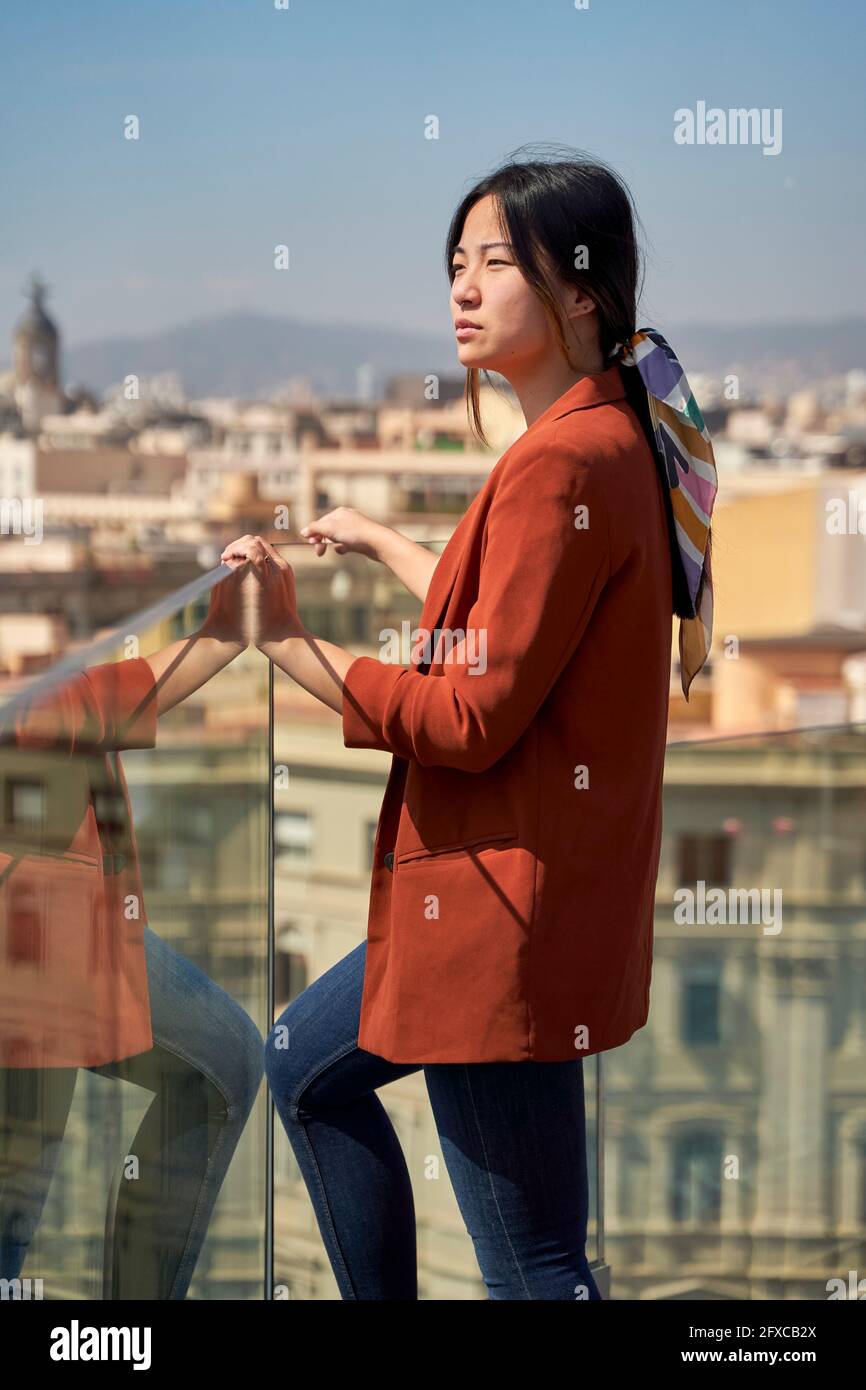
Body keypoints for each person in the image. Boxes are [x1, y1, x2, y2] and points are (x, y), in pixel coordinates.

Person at [222, 149, 718, 1300]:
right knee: (304, 1060)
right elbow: (520, 616)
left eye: (495, 262)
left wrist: (287, 640)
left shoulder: (559, 462)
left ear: (579, 293)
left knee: (534, 1267)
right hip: (522, 902)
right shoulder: (609, 442)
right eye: (454, 262)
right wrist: (387, 541)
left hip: (501, 918)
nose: (460, 287)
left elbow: (474, 709)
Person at [0, 562, 264, 1298]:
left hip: (53, 935)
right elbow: (59, 711)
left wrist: (219, 633)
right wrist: (220, 635)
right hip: (36, 946)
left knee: (220, 1064)